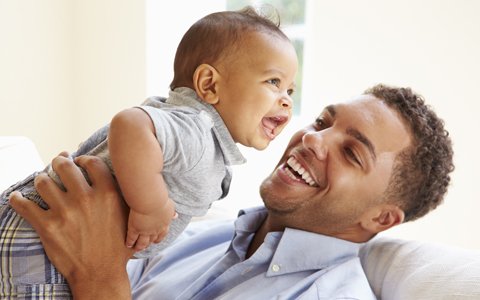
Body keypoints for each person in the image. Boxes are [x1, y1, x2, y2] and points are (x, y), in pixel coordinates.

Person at [10, 84, 454, 299]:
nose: (312, 139)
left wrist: (99, 278)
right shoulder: (202, 234)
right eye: (322, 122)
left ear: (380, 219)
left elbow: (99, 276)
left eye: (353, 153)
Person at [0, 6, 297, 299]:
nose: (285, 100)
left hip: (56, 232)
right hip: (43, 234)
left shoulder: (202, 138)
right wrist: (150, 207)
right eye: (273, 82)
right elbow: (129, 123)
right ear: (209, 85)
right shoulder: (196, 129)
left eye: (290, 91)